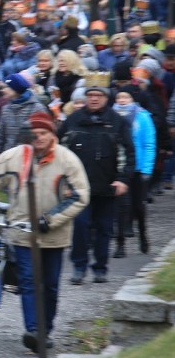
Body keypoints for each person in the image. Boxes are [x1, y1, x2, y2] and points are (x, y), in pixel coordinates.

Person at [0, 111, 90, 350]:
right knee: (29, 281)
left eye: (44, 133)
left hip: (54, 236)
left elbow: (80, 196)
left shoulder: (67, 161)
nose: (39, 137)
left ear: (52, 134)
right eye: (35, 133)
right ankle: (34, 331)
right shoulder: (14, 157)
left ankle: (46, 329)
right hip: (22, 233)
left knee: (50, 284)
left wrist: (50, 219)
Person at [58, 84, 134, 285]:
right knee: (81, 227)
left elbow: (128, 152)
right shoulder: (73, 120)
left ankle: (100, 267)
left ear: (106, 98)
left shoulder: (118, 122)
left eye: (98, 95)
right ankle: (79, 267)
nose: (93, 99)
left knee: (104, 229)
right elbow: (60, 151)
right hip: (78, 188)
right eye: (90, 95)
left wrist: (123, 179)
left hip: (107, 186)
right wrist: (63, 182)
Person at [112, 87, 156, 257]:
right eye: (119, 97)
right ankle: (120, 243)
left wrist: (146, 168)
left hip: (138, 169)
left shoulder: (142, 116)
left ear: (133, 99)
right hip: (120, 168)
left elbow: (149, 143)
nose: (122, 100)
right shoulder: (112, 117)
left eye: (126, 97)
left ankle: (143, 235)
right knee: (121, 207)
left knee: (138, 206)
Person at [0, 74, 47, 161]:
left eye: (5, 87)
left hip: (30, 162)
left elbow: (43, 139)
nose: (2, 90)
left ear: (15, 88)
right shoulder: (6, 110)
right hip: (8, 161)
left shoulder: (37, 108)